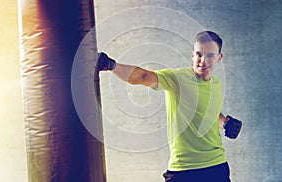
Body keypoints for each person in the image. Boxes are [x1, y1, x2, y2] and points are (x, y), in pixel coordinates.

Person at [96, 31, 242, 182]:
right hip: (184, 169)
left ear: (219, 57)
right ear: (192, 55)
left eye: (210, 55)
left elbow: (210, 114)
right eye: (199, 54)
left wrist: (225, 122)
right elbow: (143, 77)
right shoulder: (178, 78)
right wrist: (111, 65)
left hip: (216, 166)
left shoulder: (216, 84)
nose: (203, 61)